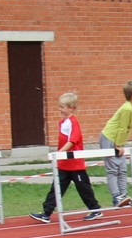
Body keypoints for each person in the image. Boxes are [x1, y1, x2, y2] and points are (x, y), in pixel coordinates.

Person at [30, 91, 104, 224]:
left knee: (83, 187)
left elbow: (72, 140)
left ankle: (95, 208)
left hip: (74, 163)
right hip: (64, 164)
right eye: (59, 106)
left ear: (71, 108)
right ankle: (46, 213)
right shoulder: (62, 123)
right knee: (56, 187)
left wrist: (59, 153)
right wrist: (60, 156)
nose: (60, 109)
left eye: (62, 107)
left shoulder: (73, 122)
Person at [100, 80, 132, 208]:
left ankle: (124, 195)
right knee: (113, 169)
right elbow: (122, 128)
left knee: (122, 168)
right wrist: (118, 144)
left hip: (119, 140)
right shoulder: (127, 109)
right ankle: (116, 197)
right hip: (109, 138)